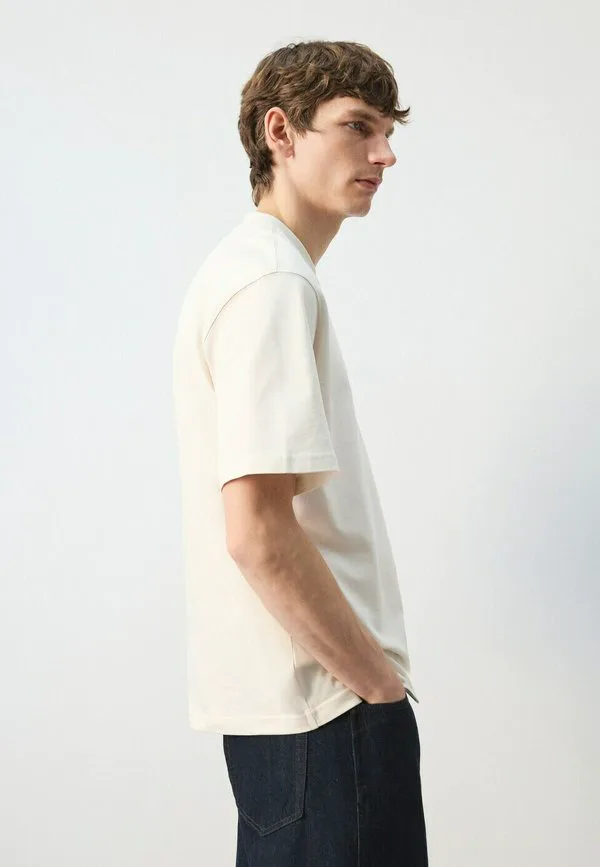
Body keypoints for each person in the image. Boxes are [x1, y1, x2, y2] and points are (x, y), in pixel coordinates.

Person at [172, 39, 429, 867]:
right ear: (280, 133)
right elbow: (257, 531)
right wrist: (377, 685)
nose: (384, 154)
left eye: (387, 132)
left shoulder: (253, 271)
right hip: (328, 712)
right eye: (358, 127)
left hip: (298, 714)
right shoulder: (270, 283)